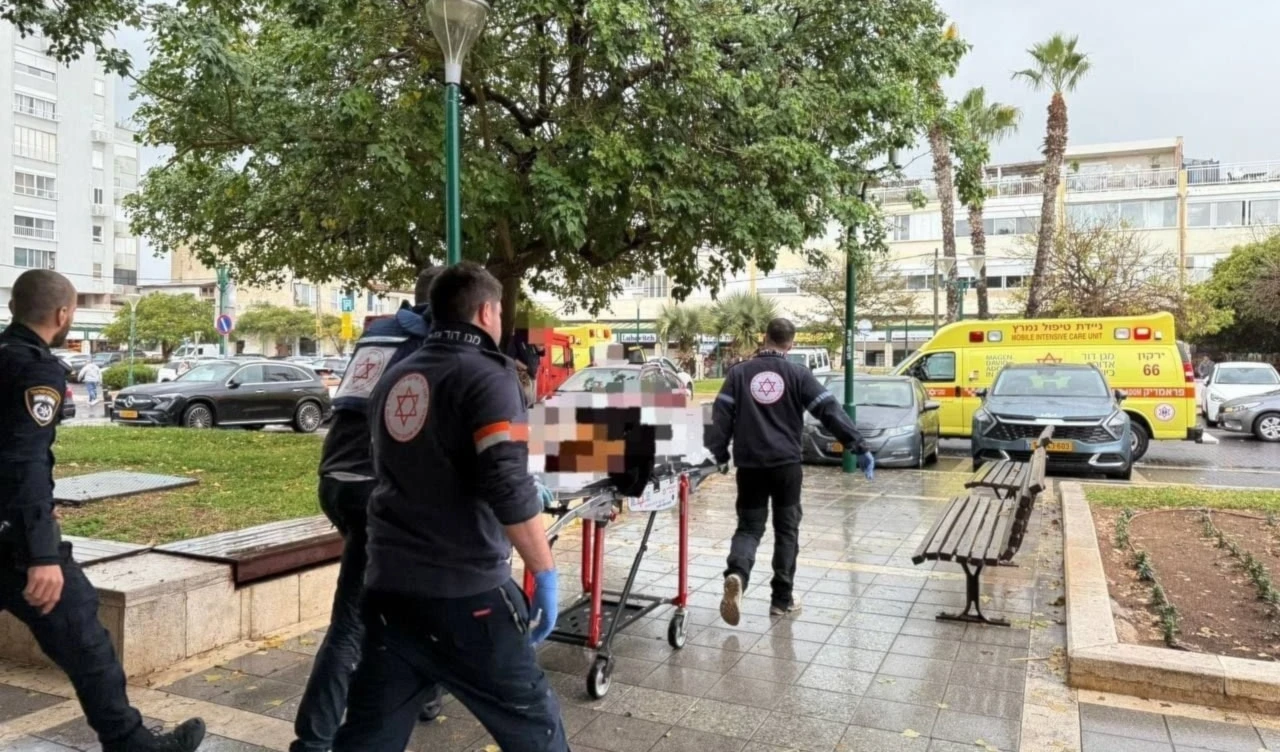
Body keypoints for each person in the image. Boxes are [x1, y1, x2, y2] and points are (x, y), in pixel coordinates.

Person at [332, 262, 566, 752]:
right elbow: (506, 481)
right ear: (486, 311)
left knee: (367, 739)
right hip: (468, 598)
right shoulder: (490, 377)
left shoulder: (398, 375)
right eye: (500, 311)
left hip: (390, 591)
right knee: (535, 731)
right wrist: (543, 571)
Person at [0, 270, 206, 752]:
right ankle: (132, 745)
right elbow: (22, 460)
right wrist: (43, 554)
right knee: (85, 639)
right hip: (14, 542)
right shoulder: (35, 369)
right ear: (63, 314)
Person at [290, 267, 446, 752]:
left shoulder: (378, 333)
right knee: (353, 623)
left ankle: (423, 693)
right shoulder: (433, 344)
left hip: (335, 478)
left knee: (408, 594)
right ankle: (313, 740)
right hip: (375, 491)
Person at [706, 317, 873, 624]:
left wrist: (718, 453)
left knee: (748, 528)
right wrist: (858, 446)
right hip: (786, 467)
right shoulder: (798, 374)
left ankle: (737, 575)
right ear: (790, 344)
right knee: (787, 531)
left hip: (750, 466)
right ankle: (781, 600)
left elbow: (720, 417)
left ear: (764, 337)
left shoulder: (739, 374)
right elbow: (829, 410)